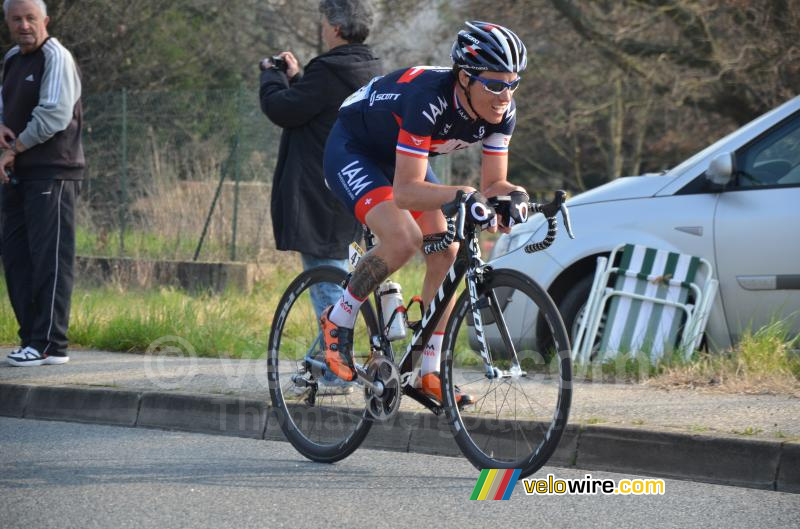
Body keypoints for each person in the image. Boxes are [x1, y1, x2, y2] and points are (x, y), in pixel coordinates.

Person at [321, 21, 532, 405]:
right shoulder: (428, 98)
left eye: (512, 83)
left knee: (447, 254)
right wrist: (462, 194)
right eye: (495, 84)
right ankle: (339, 316)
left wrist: (515, 197)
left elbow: (494, 183)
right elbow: (405, 191)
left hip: (404, 157)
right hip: (356, 150)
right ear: (465, 78)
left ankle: (426, 370)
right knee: (403, 239)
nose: (505, 96)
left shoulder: (504, 110)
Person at [259, 0, 381, 393]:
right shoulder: (370, 69)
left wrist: (271, 77)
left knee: (326, 280)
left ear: (334, 26)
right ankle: (321, 362)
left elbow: (284, 109)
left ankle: (332, 370)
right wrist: (298, 78)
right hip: (354, 188)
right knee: (340, 280)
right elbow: (320, 107)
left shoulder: (329, 70)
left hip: (317, 191)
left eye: (324, 22)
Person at [1, 0, 83, 367]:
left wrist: (14, 147)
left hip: (53, 170)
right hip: (17, 173)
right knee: (17, 258)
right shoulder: (11, 60)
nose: (24, 26)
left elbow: (53, 114)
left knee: (50, 259)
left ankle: (51, 344)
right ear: (7, 22)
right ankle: (30, 339)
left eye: (30, 18)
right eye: (16, 19)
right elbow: (4, 108)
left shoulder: (57, 56)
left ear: (45, 20)